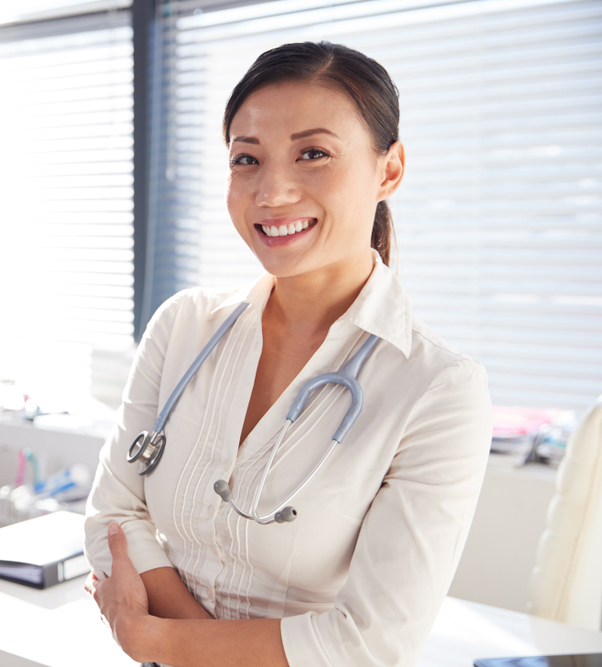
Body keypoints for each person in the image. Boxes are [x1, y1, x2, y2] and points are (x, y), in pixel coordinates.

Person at [83, 41, 492, 667]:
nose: (272, 192)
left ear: (389, 170)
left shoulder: (438, 388)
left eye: (313, 154)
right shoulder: (183, 326)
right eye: (247, 159)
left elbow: (368, 643)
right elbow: (112, 517)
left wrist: (157, 640)